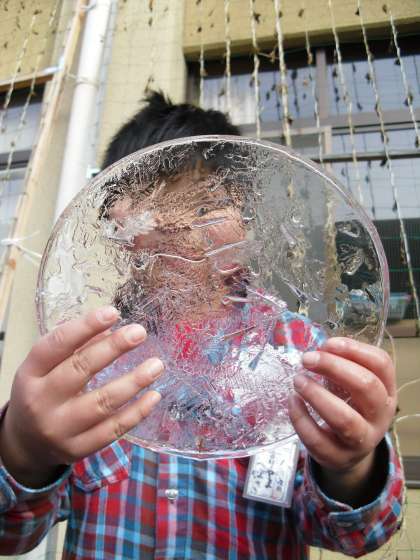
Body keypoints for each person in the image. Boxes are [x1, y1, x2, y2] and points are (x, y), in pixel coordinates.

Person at [0, 92, 403, 559]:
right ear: (115, 225)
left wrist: (352, 467)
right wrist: (22, 451)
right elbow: (12, 535)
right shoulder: (91, 362)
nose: (180, 229)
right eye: (153, 206)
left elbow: (359, 534)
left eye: (205, 205)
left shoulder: (304, 352)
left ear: (246, 219)